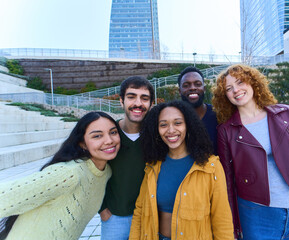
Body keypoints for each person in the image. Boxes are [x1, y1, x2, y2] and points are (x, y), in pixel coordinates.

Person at [212, 64, 289, 240]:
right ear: (224, 95)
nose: (236, 90)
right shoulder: (227, 131)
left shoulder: (287, 114)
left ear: (253, 82)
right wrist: (233, 229)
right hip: (256, 214)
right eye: (229, 88)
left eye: (240, 82)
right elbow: (227, 183)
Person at [0, 111, 121, 240]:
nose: (109, 140)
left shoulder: (106, 171)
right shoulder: (69, 173)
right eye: (97, 136)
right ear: (83, 144)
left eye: (113, 132)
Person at [129, 100, 234, 240]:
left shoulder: (211, 166)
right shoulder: (153, 166)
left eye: (178, 123)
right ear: (157, 129)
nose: (171, 130)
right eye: (163, 125)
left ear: (188, 126)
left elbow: (222, 218)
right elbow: (140, 210)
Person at [99, 76, 154, 240]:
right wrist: (102, 208)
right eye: (131, 97)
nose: (138, 103)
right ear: (121, 101)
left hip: (148, 217)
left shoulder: (157, 135)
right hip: (115, 217)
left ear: (151, 104)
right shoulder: (108, 134)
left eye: (144, 98)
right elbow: (92, 170)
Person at [178, 66, 218, 154]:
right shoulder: (174, 119)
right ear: (179, 91)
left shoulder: (218, 115)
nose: (192, 88)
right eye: (186, 85)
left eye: (198, 84)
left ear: (204, 88)